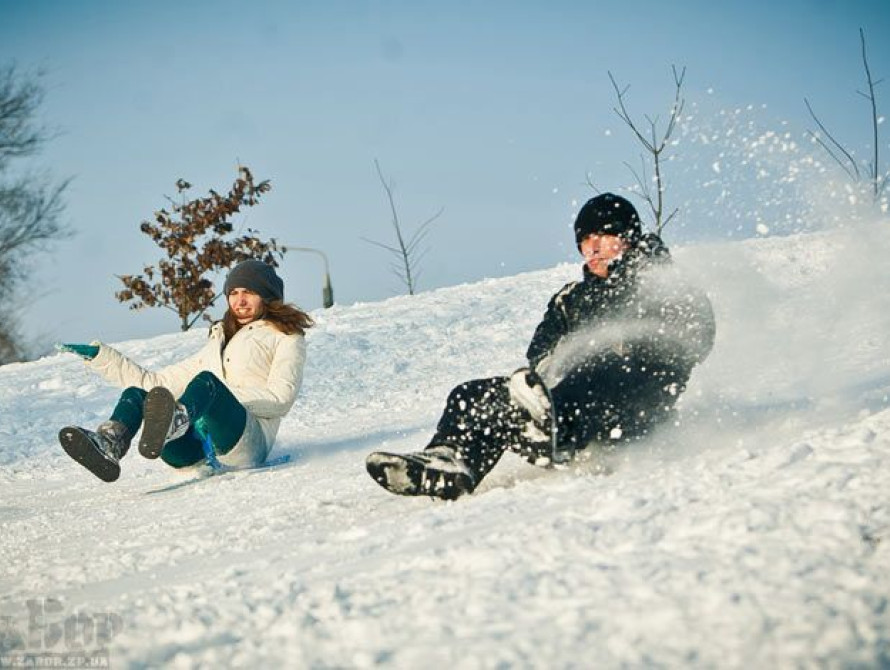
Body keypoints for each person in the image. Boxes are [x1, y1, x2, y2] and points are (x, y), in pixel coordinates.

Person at [366, 193, 716, 500]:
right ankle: (450, 462)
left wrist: (633, 343)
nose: (592, 247)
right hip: (567, 399)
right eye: (585, 239)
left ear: (627, 236)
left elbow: (696, 337)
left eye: (604, 235)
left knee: (601, 366)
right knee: (473, 394)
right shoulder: (570, 299)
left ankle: (556, 432)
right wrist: (543, 380)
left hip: (635, 401)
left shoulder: (663, 282)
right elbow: (541, 353)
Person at [57, 259, 313, 482]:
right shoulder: (217, 344)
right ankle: (110, 443)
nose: (239, 300)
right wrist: (101, 358)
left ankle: (176, 420)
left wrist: (217, 399)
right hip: (194, 452)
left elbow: (281, 399)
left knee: (207, 384)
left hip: (246, 443)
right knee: (139, 393)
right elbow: (154, 382)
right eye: (233, 293)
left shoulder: (286, 337)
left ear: (267, 296)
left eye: (248, 292)